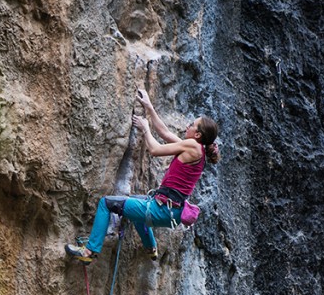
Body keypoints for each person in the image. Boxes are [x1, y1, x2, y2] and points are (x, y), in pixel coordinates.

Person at [65, 89, 220, 262]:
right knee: (134, 205)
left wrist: (145, 129)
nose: (187, 126)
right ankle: (150, 247)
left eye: (191, 125)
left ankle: (89, 251)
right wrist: (149, 107)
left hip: (160, 209)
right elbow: (166, 133)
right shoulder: (198, 151)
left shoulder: (192, 146)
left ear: (197, 134)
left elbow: (154, 150)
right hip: (169, 210)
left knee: (106, 203)